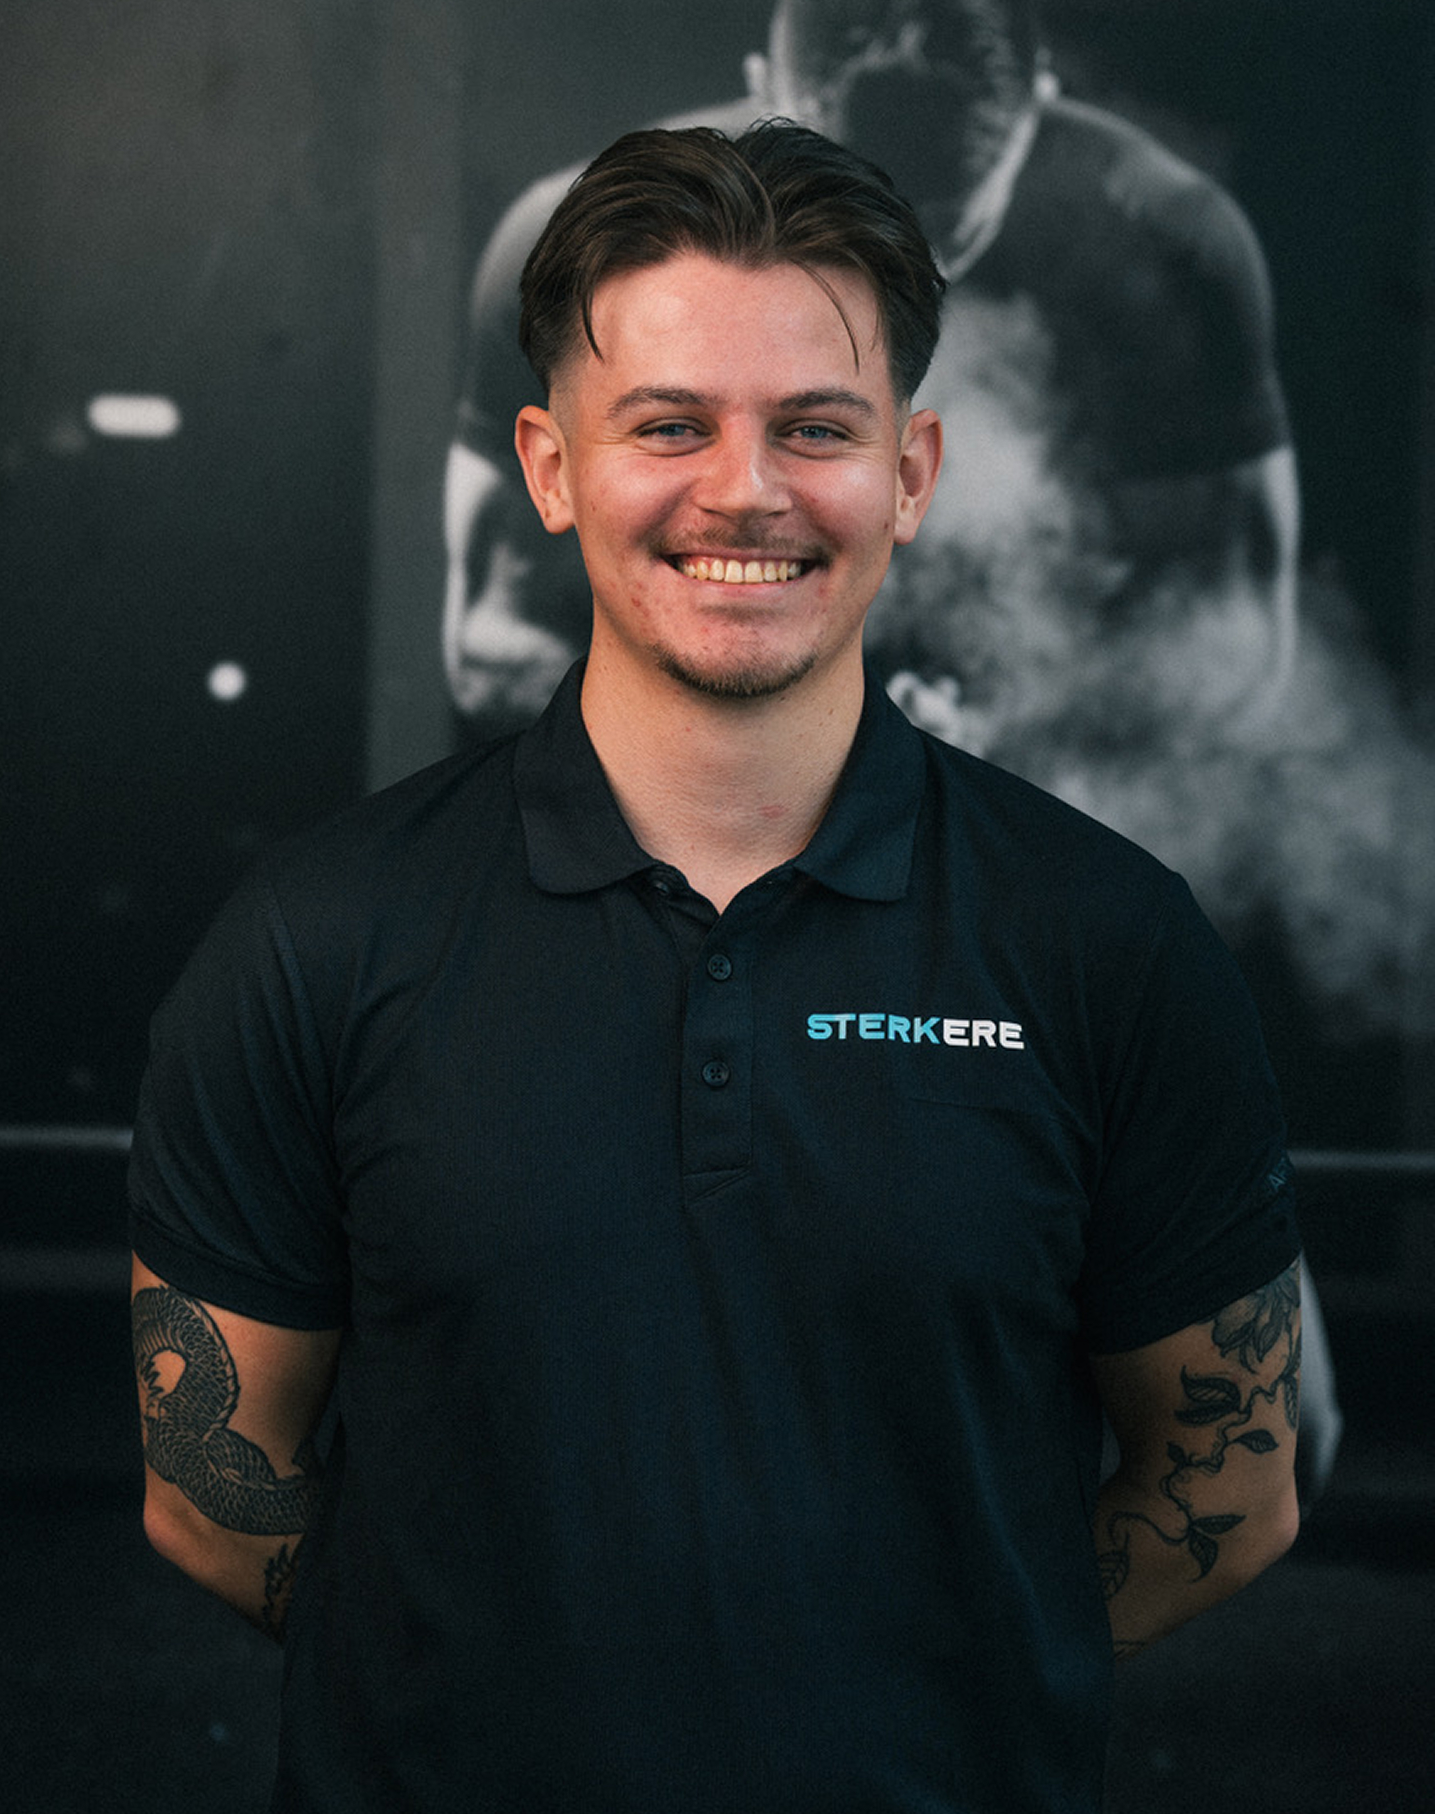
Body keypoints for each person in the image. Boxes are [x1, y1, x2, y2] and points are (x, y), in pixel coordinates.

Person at [130, 121, 1302, 1812]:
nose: (743, 489)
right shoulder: (318, 938)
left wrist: (936, 1670)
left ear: (910, 472)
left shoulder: (1111, 944)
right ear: (547, 464)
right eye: (666, 424)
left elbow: (1231, 1479)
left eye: (815, 428)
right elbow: (206, 1487)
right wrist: (494, 1687)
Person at [443, 0, 1299, 775]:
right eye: (841, 240)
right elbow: (490, 646)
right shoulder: (584, 253)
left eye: (946, 244)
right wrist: (772, 750)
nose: (903, 295)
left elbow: (1238, 652)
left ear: (1037, 106)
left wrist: (1004, 760)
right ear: (760, 94)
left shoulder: (1164, 255)